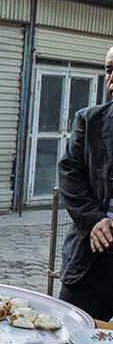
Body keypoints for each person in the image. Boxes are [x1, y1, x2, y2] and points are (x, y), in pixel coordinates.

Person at [57, 46, 113, 321]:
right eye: (110, 70)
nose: (112, 78)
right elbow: (69, 171)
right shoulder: (90, 120)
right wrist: (94, 220)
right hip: (90, 261)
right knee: (71, 338)